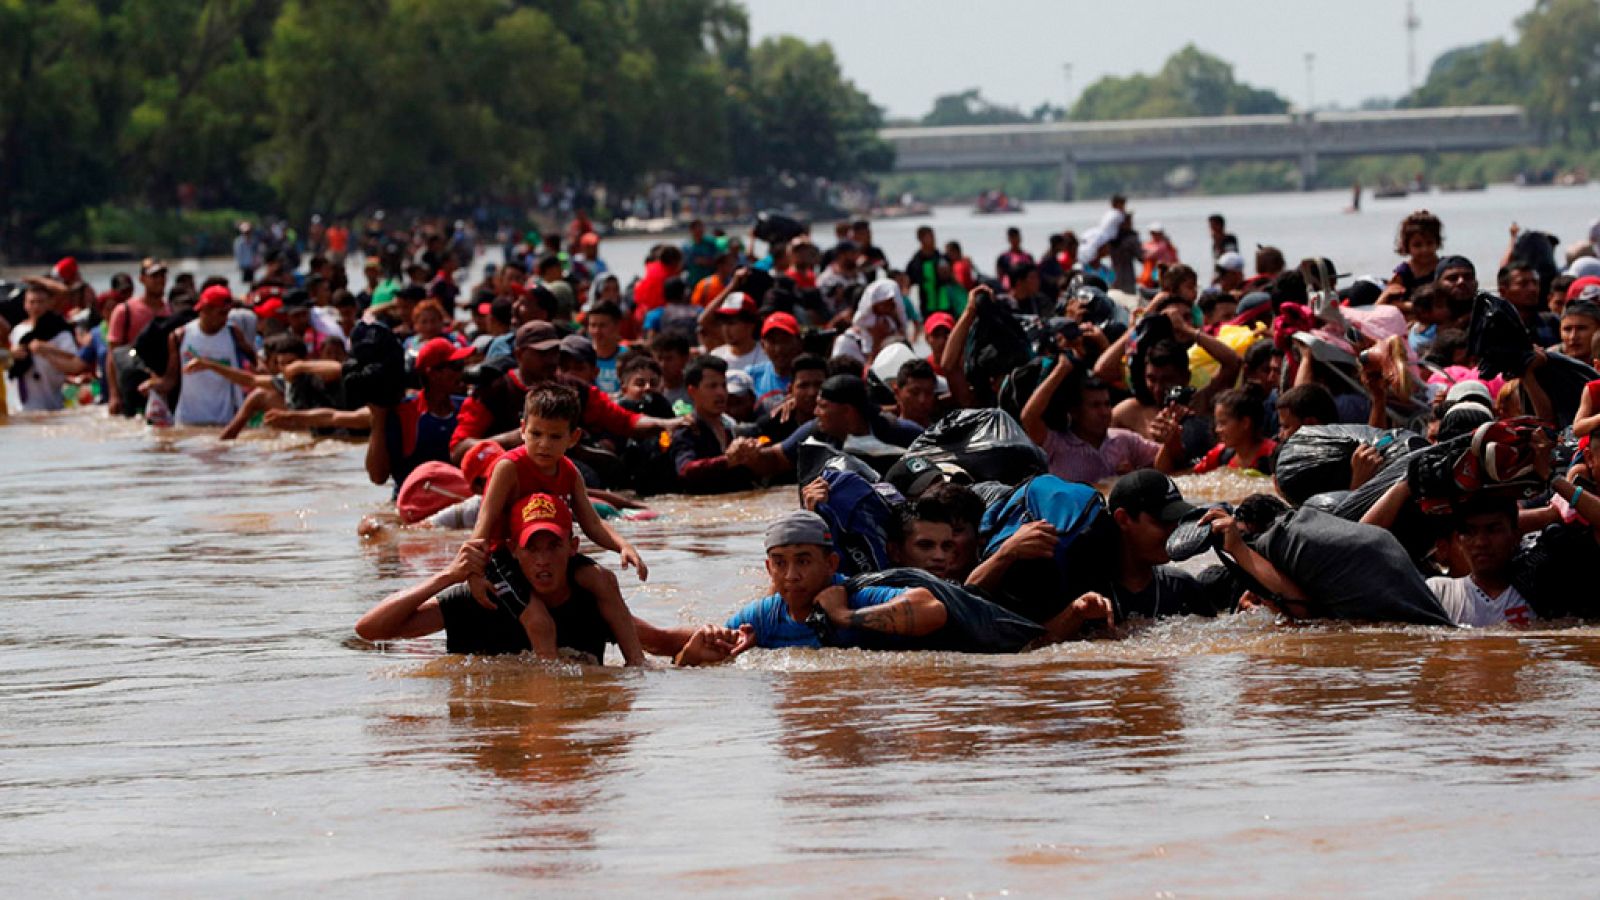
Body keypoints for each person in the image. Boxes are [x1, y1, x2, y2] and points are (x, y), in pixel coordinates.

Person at [354, 494, 644, 664]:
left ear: (573, 548)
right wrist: (448, 575)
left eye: (553, 546)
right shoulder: (485, 598)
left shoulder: (595, 602)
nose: (542, 560)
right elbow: (370, 629)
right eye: (531, 547)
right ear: (514, 551)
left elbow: (656, 642)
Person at [449, 320, 676, 464]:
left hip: (565, 474)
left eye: (554, 352)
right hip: (505, 472)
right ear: (519, 355)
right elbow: (459, 449)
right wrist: (511, 440)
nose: (550, 360)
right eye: (541, 353)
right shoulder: (494, 390)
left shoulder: (574, 389)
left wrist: (667, 424)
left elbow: (624, 421)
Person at [741, 374, 923, 480]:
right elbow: (776, 460)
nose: (815, 412)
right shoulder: (814, 433)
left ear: (847, 411)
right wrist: (751, 454)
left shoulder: (901, 434)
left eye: (823, 406)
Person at [1022, 359, 1161, 484]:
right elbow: (1029, 417)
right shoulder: (1055, 445)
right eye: (1095, 406)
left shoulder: (1124, 440)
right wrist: (1061, 369)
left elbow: (1164, 460)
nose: (1105, 412)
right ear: (1074, 412)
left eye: (1107, 404)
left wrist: (1136, 477)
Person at [366, 337, 469, 491]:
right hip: (413, 506)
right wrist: (378, 419)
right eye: (456, 366)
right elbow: (378, 477)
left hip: (459, 500)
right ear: (432, 374)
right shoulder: (404, 414)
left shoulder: (467, 407)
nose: (462, 372)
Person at [147, 285, 254, 427]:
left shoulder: (233, 333)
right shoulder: (180, 336)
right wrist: (153, 385)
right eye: (221, 313)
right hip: (188, 420)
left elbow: (254, 365)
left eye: (227, 313)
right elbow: (171, 379)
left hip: (225, 420)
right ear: (205, 309)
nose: (225, 318)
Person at [668, 355, 759, 494]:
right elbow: (685, 470)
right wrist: (727, 461)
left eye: (723, 385)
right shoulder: (687, 429)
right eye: (712, 386)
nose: (721, 393)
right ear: (692, 391)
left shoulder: (732, 428)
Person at [1157, 385, 1277, 475]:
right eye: (1217, 423)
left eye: (1223, 423)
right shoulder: (1220, 455)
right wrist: (1168, 441)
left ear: (1245, 423)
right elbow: (1183, 478)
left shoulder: (1273, 455)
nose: (1217, 430)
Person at [8, 279, 89, 411]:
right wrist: (13, 354)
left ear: (50, 304)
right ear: (25, 305)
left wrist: (48, 350)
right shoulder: (18, 331)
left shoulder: (60, 332)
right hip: (22, 404)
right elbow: (8, 363)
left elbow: (75, 363)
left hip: (52, 401)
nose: (36, 307)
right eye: (32, 302)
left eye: (40, 302)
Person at [106, 258, 172, 417]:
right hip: (132, 383)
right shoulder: (124, 311)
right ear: (142, 279)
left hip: (162, 385)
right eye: (154, 276)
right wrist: (114, 395)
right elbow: (112, 356)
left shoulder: (171, 311)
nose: (159, 280)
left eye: (162, 275)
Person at [832, 278, 907, 365]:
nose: (890, 308)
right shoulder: (847, 341)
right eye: (885, 304)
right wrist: (876, 341)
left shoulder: (892, 327)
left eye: (893, 304)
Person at [1381, 210, 1443, 303]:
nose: (1424, 249)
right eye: (1417, 245)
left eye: (1429, 243)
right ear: (1407, 247)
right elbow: (1386, 302)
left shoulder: (1445, 268)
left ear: (1437, 243)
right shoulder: (1404, 272)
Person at [745, 312, 802, 405]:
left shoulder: (810, 379)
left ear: (799, 342)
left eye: (785, 340)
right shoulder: (751, 376)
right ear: (763, 346)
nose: (779, 349)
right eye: (772, 341)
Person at [704, 291, 769, 371]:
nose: (725, 329)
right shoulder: (716, 356)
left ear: (750, 325)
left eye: (731, 323)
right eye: (723, 323)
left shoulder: (767, 357)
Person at [584, 300, 627, 394]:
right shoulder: (583, 357)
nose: (597, 331)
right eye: (593, 325)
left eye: (602, 325)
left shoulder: (628, 358)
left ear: (617, 326)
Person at [891, 358, 939, 429]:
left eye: (928, 393)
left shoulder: (945, 435)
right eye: (915, 393)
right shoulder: (889, 437)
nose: (922, 400)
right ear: (897, 393)